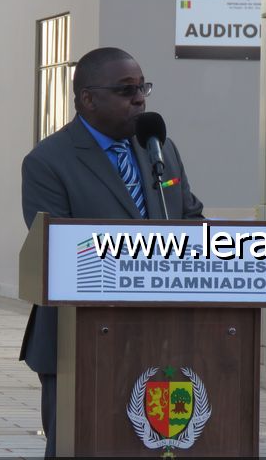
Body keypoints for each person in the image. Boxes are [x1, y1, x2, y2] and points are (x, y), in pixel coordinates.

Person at [19, 46, 204, 457]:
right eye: (126, 90)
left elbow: (190, 217)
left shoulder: (159, 148)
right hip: (77, 342)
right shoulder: (47, 162)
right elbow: (57, 250)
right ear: (88, 99)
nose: (139, 99)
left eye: (142, 88)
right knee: (79, 445)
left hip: (166, 333)